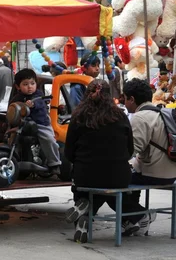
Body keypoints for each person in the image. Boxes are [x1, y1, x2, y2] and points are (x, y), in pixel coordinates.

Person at [64, 79, 140, 243]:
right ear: (109, 95)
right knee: (109, 187)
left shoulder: (78, 116)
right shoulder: (121, 116)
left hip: (86, 175)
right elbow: (130, 150)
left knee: (84, 187)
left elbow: (69, 153)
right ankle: (130, 218)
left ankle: (83, 213)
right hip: (118, 175)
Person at [122, 78, 176, 234]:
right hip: (171, 172)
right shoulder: (160, 112)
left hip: (154, 174)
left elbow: (131, 151)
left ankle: (139, 216)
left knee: (112, 181)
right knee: (132, 175)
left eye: (124, 99)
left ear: (132, 99)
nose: (124, 103)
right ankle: (133, 220)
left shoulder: (140, 118)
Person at [10, 68, 61, 175]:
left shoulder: (38, 95)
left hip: (40, 123)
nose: (29, 87)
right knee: (11, 136)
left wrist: (33, 105)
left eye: (32, 83)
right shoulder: (17, 97)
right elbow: (12, 108)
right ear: (18, 86)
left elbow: (41, 103)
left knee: (49, 139)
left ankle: (55, 163)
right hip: (23, 124)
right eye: (25, 84)